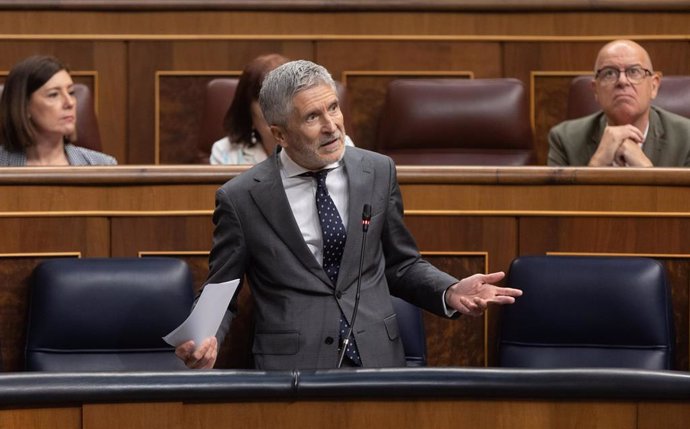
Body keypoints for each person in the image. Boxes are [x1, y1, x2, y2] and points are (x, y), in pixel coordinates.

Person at [177, 60, 522, 370]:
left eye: (333, 108)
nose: (332, 126)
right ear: (279, 133)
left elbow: (400, 264)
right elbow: (221, 289)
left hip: (377, 360)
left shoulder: (377, 171)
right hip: (292, 370)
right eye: (313, 117)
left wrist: (448, 290)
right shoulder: (241, 197)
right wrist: (204, 336)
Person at [547, 39, 690, 167]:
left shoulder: (686, 138)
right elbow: (558, 197)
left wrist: (646, 170)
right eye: (609, 73)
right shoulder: (565, 139)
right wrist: (597, 164)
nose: (622, 81)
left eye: (634, 71)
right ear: (596, 89)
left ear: (653, 86)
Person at [210, 53, 353, 165]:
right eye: (269, 102)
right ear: (248, 111)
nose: (279, 109)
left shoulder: (338, 143)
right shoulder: (225, 152)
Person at [0, 55, 116, 166]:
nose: (69, 103)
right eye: (53, 95)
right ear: (24, 107)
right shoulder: (3, 164)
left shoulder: (102, 164)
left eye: (71, 93)